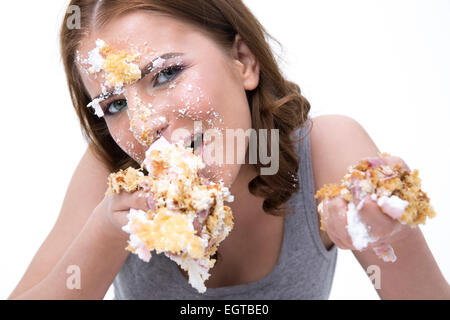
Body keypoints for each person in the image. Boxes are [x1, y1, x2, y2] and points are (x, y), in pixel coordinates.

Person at [8, 0, 449, 299]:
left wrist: (394, 234)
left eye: (166, 74)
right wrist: (105, 232)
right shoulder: (109, 174)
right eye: (116, 104)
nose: (146, 125)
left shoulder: (326, 150)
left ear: (244, 61)